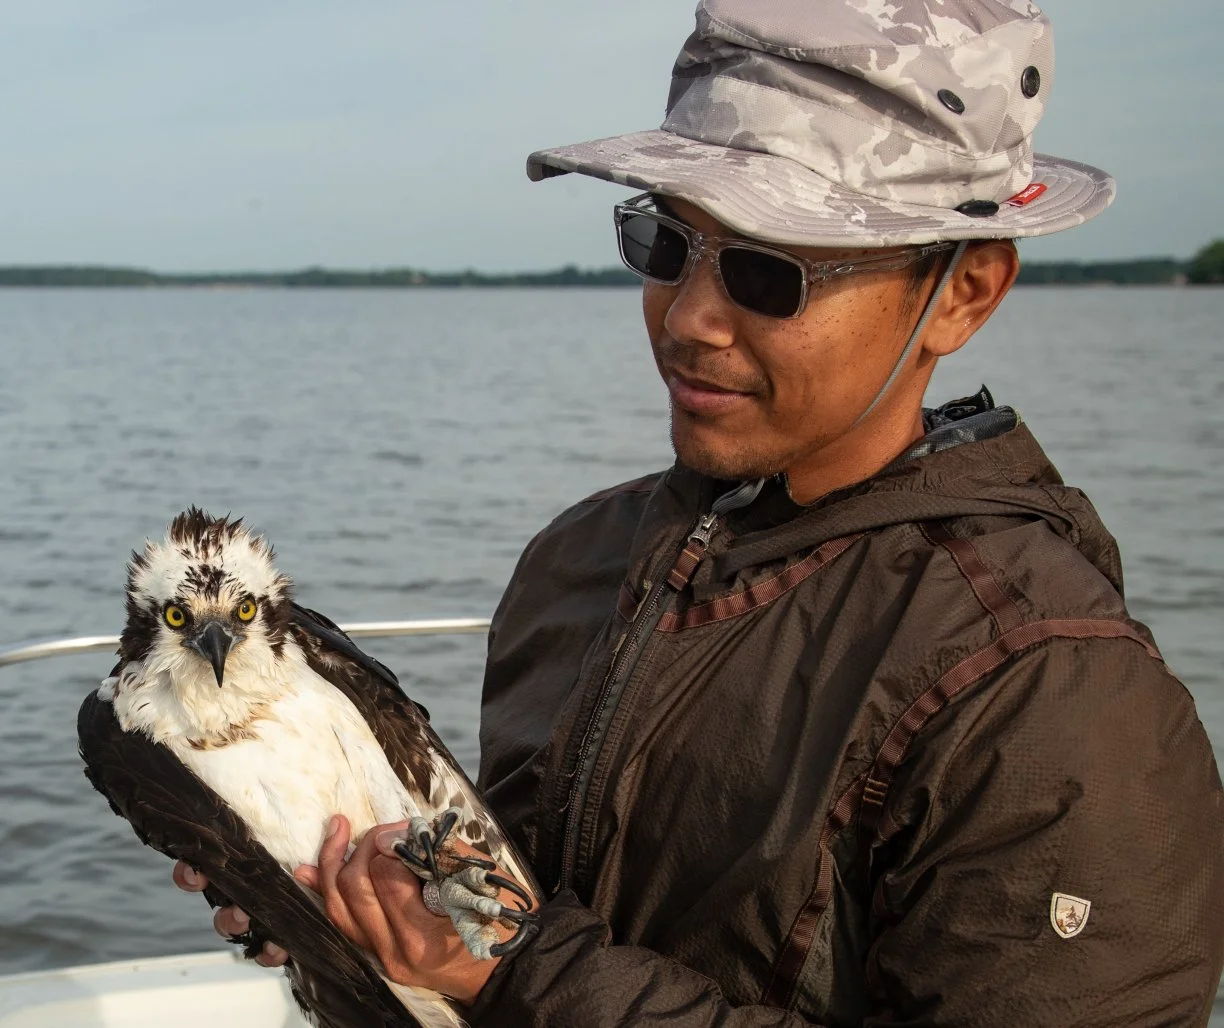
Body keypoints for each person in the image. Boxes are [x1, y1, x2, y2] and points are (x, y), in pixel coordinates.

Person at [177, 1, 1224, 1023]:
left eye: (774, 273)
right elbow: (513, 898)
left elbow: (518, 956)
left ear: (965, 291)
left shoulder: (1046, 691)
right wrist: (350, 910)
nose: (689, 318)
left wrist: (514, 969)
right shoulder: (580, 557)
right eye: (667, 242)